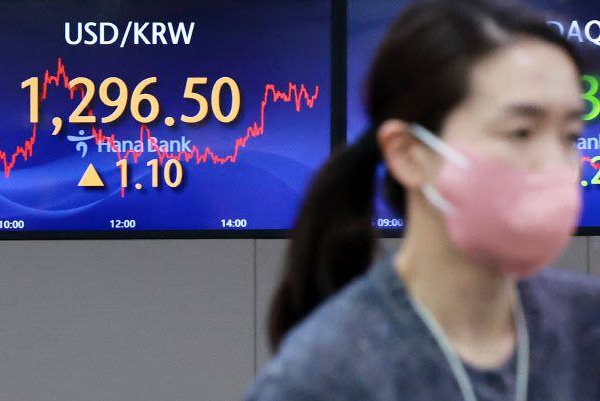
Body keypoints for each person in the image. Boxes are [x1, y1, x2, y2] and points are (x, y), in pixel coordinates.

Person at [242, 0, 600, 400]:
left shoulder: (588, 331)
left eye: (570, 136)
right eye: (520, 132)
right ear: (408, 154)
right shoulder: (323, 378)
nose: (557, 165)